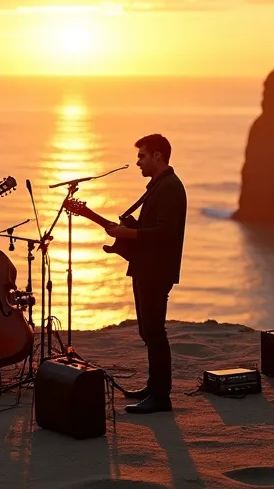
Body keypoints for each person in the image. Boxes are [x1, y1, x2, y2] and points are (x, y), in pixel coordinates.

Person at [105, 133, 186, 414]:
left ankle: (161, 397)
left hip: (157, 269)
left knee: (154, 331)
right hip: (144, 267)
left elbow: (165, 233)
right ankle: (154, 387)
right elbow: (151, 228)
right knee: (146, 330)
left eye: (141, 156)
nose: (137, 162)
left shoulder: (171, 188)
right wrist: (130, 228)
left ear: (157, 156)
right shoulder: (158, 186)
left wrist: (128, 232)